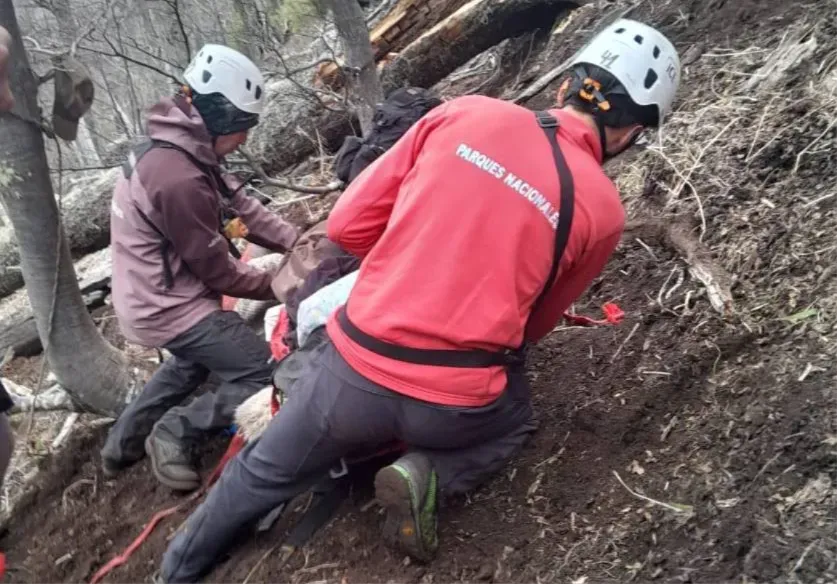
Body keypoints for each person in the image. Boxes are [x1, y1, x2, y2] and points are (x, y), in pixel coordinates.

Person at [158, 19, 681, 582]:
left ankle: (175, 571)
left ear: (564, 86)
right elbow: (535, 327)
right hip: (455, 403)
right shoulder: (603, 209)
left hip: (350, 376)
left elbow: (348, 227)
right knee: (516, 421)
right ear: (629, 133)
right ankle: (427, 475)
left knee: (259, 474)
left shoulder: (466, 113)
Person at [101, 44, 299, 492]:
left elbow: (242, 207)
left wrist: (298, 242)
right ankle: (175, 431)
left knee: (191, 363)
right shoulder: (177, 177)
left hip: (148, 294)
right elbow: (220, 274)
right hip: (166, 306)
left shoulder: (183, 147)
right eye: (243, 125)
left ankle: (120, 446)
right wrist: (285, 282)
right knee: (267, 372)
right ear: (220, 116)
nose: (244, 137)